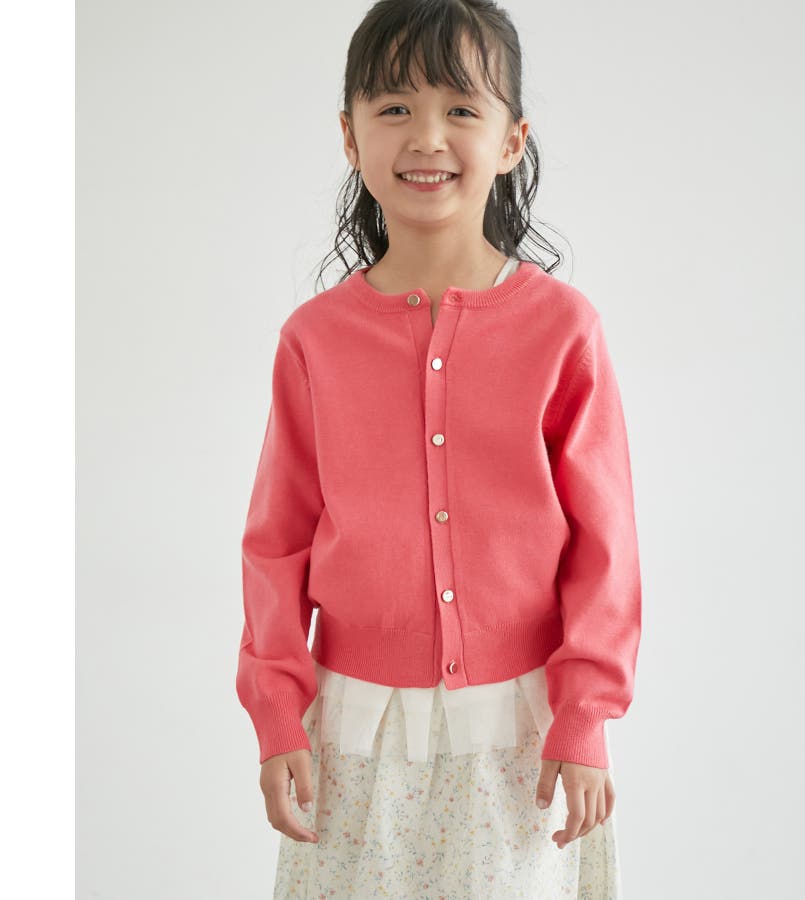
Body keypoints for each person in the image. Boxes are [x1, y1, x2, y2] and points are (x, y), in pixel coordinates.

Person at [236, 1, 643, 896]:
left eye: (461, 107)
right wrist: (277, 713)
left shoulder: (564, 331)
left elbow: (605, 545)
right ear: (350, 137)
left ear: (511, 140)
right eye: (394, 108)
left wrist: (585, 716)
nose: (427, 136)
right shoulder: (314, 341)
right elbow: (276, 543)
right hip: (355, 734)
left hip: (520, 739)